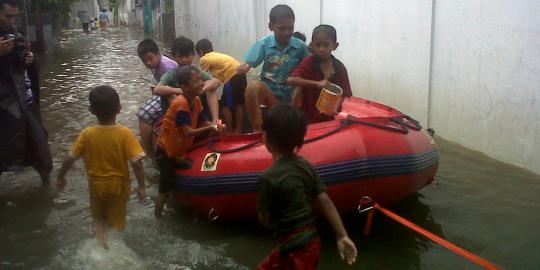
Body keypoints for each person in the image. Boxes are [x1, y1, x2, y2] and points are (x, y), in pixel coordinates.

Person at [257, 104, 357, 269]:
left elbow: (265, 220)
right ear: (300, 140)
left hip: (295, 248)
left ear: (266, 138)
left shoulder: (267, 178)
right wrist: (341, 236)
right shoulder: (305, 165)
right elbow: (325, 201)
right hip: (311, 243)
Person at [56, 85, 146, 249]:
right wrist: (141, 187)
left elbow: (69, 158)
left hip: (96, 186)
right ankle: (113, 250)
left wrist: (61, 177)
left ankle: (99, 245)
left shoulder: (86, 134)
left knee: (98, 220)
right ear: (119, 108)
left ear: (91, 110)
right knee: (116, 224)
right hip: (118, 187)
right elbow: (137, 163)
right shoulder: (125, 133)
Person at [154, 65, 224, 218]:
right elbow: (187, 132)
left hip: (179, 148)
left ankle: (179, 162)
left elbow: (202, 120)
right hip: (165, 151)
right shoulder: (181, 105)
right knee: (165, 188)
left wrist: (215, 126)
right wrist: (209, 128)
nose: (201, 83)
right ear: (184, 87)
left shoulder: (196, 100)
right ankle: (157, 217)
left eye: (201, 80)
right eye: (196, 81)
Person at [0, 0, 52, 185]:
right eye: (7, 16)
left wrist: (30, 59)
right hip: (4, 106)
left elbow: (22, 61)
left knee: (40, 147)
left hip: (24, 99)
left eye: (15, 16)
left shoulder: (15, 31)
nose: (11, 20)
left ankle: (47, 190)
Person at [237, 4, 309, 132]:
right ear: (271, 27)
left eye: (290, 27)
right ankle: (257, 129)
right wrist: (244, 66)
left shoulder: (300, 47)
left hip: (292, 99)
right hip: (271, 95)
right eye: (282, 28)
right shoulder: (264, 44)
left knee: (301, 85)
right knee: (253, 88)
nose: (287, 32)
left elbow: (309, 69)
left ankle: (293, 119)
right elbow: (248, 63)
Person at [288, 24, 352, 123]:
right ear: (312, 45)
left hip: (329, 121)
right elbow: (291, 80)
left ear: (335, 46)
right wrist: (317, 83)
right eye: (318, 45)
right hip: (307, 119)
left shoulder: (339, 68)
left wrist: (336, 107)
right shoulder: (308, 62)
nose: (321, 49)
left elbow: (346, 96)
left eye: (326, 45)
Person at [153, 36, 221, 124]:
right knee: (170, 94)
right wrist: (181, 91)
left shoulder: (195, 72)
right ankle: (184, 123)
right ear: (174, 57)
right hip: (177, 114)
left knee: (210, 88)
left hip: (194, 108)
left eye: (187, 56)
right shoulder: (172, 73)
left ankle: (215, 120)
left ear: (193, 55)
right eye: (180, 56)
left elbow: (217, 82)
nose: (184, 60)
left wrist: (198, 90)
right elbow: (157, 89)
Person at [136, 38, 178, 157]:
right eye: (145, 61)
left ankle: (148, 151)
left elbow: (173, 89)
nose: (148, 63)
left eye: (150, 58)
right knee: (146, 110)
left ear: (158, 54)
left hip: (172, 93)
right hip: (165, 91)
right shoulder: (156, 64)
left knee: (144, 113)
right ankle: (147, 142)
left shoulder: (166, 66)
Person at [196, 38, 247, 133]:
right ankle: (238, 130)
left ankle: (229, 132)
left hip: (232, 76)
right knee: (238, 104)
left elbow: (199, 77)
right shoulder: (216, 56)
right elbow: (216, 79)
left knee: (224, 106)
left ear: (200, 52)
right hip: (241, 75)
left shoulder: (205, 58)